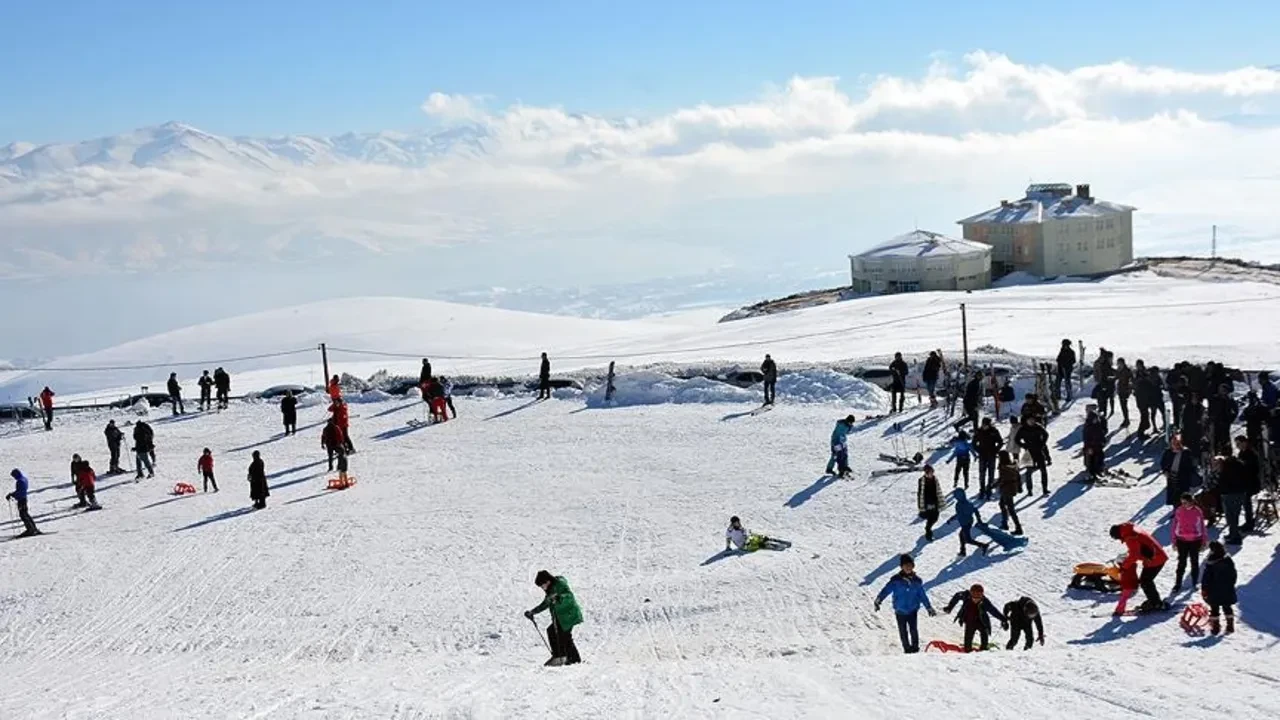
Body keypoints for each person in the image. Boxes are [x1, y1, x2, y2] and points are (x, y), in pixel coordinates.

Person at [873, 554, 936, 654]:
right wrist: (879, 599)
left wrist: (929, 607)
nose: (908, 568)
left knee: (913, 629)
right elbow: (886, 590)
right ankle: (907, 649)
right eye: (906, 565)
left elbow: (922, 595)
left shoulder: (917, 581)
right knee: (903, 631)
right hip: (900, 610)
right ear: (902, 567)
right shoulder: (896, 580)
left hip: (912, 609)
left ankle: (915, 648)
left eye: (910, 565)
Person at [524, 570, 584, 666]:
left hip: (569, 615)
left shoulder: (560, 584)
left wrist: (559, 598)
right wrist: (533, 612)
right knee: (552, 631)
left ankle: (573, 659)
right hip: (561, 617)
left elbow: (569, 595)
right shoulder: (550, 590)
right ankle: (560, 656)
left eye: (542, 585)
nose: (542, 588)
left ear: (547, 581)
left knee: (565, 636)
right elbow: (545, 604)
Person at [1110, 522, 1168, 612]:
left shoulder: (1130, 537)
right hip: (1155, 557)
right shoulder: (1131, 530)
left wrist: (1124, 566)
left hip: (1156, 559)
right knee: (1146, 581)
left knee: (1146, 581)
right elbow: (1137, 549)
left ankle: (1156, 604)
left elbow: (1134, 555)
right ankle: (1154, 601)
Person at [944, 583, 1006, 652]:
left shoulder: (985, 601)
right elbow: (957, 596)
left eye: (978, 598)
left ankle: (983, 649)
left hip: (982, 622)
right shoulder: (966, 595)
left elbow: (993, 611)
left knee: (984, 638)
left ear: (982, 596)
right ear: (971, 594)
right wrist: (949, 607)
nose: (975, 599)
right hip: (969, 622)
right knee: (967, 647)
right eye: (973, 597)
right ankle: (968, 650)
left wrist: (1003, 619)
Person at [1200, 541, 1237, 636]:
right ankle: (1230, 626)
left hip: (1214, 590)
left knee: (1214, 609)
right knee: (1227, 607)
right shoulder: (1228, 560)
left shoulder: (1211, 562)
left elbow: (1206, 578)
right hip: (1227, 588)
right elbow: (1234, 575)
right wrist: (1231, 584)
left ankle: (1216, 628)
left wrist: (1204, 589)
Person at [1171, 492, 1206, 591]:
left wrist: (1204, 540)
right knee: (1181, 563)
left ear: (1191, 501)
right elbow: (1174, 525)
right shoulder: (1179, 510)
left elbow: (1202, 526)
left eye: (1185, 502)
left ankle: (1195, 583)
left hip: (1195, 540)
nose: (1183, 504)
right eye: (1182, 502)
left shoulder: (1197, 511)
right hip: (1181, 540)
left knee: (1194, 562)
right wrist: (1174, 541)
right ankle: (1177, 584)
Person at [1214, 454, 1249, 545]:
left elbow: (1224, 481)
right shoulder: (1237, 464)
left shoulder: (1228, 468)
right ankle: (1232, 533)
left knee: (1232, 516)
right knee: (1232, 515)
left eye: (1217, 464)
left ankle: (1236, 537)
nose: (1216, 466)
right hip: (1236, 493)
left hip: (1231, 494)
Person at [1160, 435, 1200, 506]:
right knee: (1174, 496)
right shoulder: (1168, 452)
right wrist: (1165, 471)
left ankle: (1183, 510)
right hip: (1172, 477)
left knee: (1183, 496)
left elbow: (1191, 465)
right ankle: (1176, 511)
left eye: (1177, 443)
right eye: (1173, 443)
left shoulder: (1186, 452)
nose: (1175, 445)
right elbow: (1163, 463)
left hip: (1183, 479)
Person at [950, 488, 990, 557]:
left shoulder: (960, 505)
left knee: (968, 539)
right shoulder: (967, 503)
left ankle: (984, 545)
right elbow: (975, 510)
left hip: (966, 523)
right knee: (961, 535)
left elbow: (959, 514)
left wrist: (951, 519)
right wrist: (979, 519)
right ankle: (963, 551)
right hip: (967, 522)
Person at [1016, 416, 1051, 496]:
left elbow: (1046, 434)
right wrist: (1024, 446)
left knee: (1043, 470)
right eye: (1030, 420)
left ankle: (1045, 488)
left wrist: (1042, 444)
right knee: (1028, 472)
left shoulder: (1038, 427)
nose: (1032, 421)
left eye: (1033, 420)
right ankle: (1029, 490)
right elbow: (1017, 439)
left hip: (1039, 450)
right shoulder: (1023, 429)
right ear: (1027, 420)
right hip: (1028, 452)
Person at [1234, 435, 1262, 533]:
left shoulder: (1251, 453)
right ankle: (1248, 521)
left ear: (1244, 442)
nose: (1237, 446)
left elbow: (1254, 469)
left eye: (1239, 444)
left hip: (1251, 482)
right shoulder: (1241, 453)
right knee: (1246, 503)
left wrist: (1242, 465)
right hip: (1244, 482)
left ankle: (1249, 523)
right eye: (1236, 444)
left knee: (1247, 503)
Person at [973, 418, 1003, 499]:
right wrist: (978, 450)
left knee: (991, 472)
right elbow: (974, 443)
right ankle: (982, 489)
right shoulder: (979, 431)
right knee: (982, 473)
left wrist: (995, 450)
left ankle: (989, 488)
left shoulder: (994, 431)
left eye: (986, 425)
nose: (984, 426)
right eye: (983, 424)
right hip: (982, 454)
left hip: (991, 455)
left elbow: (1000, 442)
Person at [6, 469, 41, 537]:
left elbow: (19, 492)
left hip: (21, 500)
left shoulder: (20, 481)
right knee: (26, 514)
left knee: (23, 515)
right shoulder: (24, 479)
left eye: (14, 476)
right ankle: (33, 528)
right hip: (24, 499)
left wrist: (11, 495)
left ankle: (30, 529)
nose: (14, 477)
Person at [724, 516, 790, 551]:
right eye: (735, 523)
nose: (737, 524)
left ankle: (769, 540)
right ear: (732, 523)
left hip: (747, 539)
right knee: (756, 544)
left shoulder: (740, 527)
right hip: (742, 545)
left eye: (738, 522)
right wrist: (728, 547)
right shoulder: (730, 530)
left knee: (759, 538)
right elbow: (728, 538)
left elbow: (745, 533)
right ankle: (772, 546)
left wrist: (748, 535)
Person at [997, 450, 1024, 536]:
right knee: (1002, 504)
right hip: (1012, 488)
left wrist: (994, 485)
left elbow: (1002, 479)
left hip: (1006, 489)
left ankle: (1018, 527)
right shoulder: (1013, 465)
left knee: (1011, 509)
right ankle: (1005, 523)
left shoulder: (1002, 467)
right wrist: (1019, 487)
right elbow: (1018, 477)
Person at [917, 465, 944, 542]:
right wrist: (922, 505)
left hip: (935, 501)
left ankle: (928, 528)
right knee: (931, 518)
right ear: (926, 472)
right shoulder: (922, 481)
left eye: (932, 472)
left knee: (935, 517)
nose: (932, 474)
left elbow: (938, 490)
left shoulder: (935, 479)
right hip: (928, 502)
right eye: (930, 472)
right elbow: (921, 493)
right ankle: (928, 533)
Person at [1082, 406, 1108, 481]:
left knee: (1100, 457)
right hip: (1091, 446)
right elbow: (1086, 438)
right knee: (1091, 460)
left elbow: (1101, 434)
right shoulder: (1088, 427)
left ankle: (1099, 470)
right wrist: (1088, 447)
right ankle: (1092, 473)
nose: (1095, 420)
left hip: (1098, 445)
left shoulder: (1097, 425)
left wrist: (1103, 441)